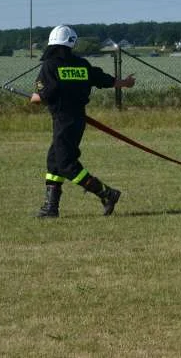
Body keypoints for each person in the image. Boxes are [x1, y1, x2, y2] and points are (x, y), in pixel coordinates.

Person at [31, 25, 136, 218]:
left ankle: (106, 193)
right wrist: (125, 83)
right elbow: (103, 79)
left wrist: (35, 97)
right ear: (71, 43)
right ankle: (50, 208)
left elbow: (42, 96)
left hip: (63, 120)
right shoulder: (82, 64)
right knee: (54, 161)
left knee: (65, 164)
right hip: (77, 120)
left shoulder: (50, 65)